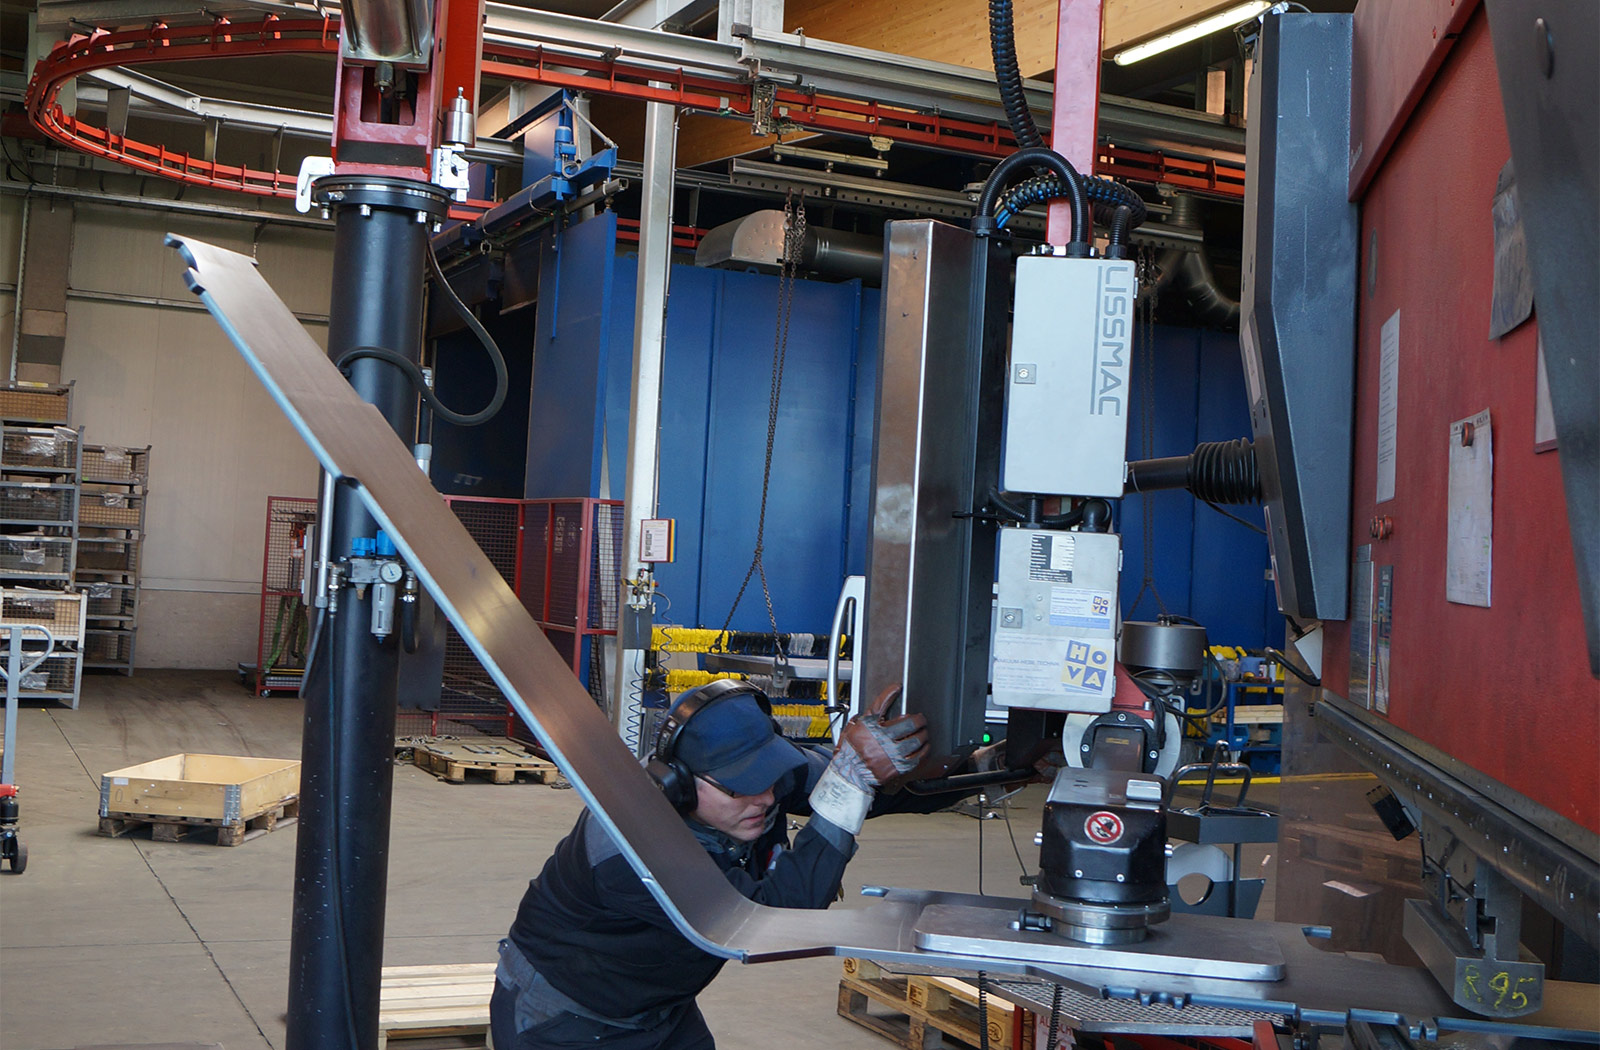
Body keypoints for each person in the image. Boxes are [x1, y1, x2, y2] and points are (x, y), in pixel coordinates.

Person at [490, 678, 931, 1050]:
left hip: (660, 1008)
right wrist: (848, 783)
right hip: (566, 1021)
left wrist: (970, 767)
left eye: (769, 777)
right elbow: (775, 915)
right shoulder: (633, 850)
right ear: (679, 784)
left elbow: (848, 779)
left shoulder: (746, 781)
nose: (765, 798)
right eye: (741, 789)